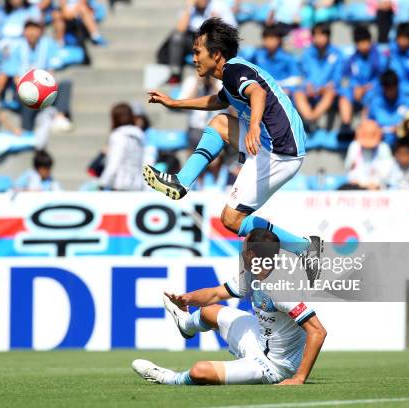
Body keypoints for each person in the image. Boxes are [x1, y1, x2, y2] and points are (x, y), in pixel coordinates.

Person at [144, 18, 322, 278]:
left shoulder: (233, 71)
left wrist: (253, 128)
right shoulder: (231, 75)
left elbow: (258, 93)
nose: (193, 58)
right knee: (219, 123)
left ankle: (305, 247)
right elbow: (219, 101)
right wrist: (175, 103)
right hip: (272, 142)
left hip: (280, 151)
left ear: (216, 54)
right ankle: (181, 181)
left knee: (231, 220)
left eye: (197, 52)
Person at [132, 228, 327, 386]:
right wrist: (187, 298)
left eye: (243, 247)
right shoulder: (254, 272)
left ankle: (168, 378)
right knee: (208, 311)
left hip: (273, 366)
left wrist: (299, 378)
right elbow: (216, 294)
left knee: (200, 371)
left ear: (251, 254)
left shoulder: (282, 289)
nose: (241, 251)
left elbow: (318, 331)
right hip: (259, 338)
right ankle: (185, 324)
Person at [160, 0, 237, 84]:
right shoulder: (189, 9)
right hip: (195, 40)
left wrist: (216, 23)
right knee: (177, 37)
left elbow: (232, 30)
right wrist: (189, 7)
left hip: (214, 41)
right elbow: (180, 30)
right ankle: (175, 74)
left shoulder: (219, 5)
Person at [294, 22, 342, 125]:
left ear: (328, 36)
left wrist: (327, 86)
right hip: (310, 89)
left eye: (322, 35)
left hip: (327, 90)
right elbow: (302, 75)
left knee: (330, 93)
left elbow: (337, 77)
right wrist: (307, 85)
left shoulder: (337, 53)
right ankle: (309, 117)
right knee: (298, 94)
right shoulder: (306, 53)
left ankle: (312, 118)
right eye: (316, 35)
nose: (319, 38)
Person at [339, 25, 386, 130]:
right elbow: (346, 77)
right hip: (356, 90)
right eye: (359, 43)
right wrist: (355, 86)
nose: (363, 46)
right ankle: (346, 126)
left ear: (370, 41)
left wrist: (366, 88)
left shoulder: (379, 57)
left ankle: (365, 128)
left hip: (372, 90)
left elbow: (382, 78)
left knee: (372, 99)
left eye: (365, 42)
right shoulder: (352, 59)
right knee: (344, 96)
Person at [99, 103, 146, 191]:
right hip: (138, 185)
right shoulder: (140, 135)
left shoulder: (118, 136)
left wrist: (102, 183)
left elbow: (114, 162)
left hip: (120, 185)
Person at [248, 25, 301, 96]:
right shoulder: (257, 54)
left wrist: (289, 89)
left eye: (272, 38)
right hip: (261, 90)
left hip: (282, 91)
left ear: (279, 40)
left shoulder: (288, 57)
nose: (269, 42)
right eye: (266, 38)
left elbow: (296, 78)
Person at [366, 69, 409, 142]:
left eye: (392, 88)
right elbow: (370, 124)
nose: (390, 92)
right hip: (380, 142)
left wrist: (401, 128)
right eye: (387, 88)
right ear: (383, 88)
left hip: (403, 142)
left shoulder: (408, 102)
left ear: (397, 86)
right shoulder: (375, 103)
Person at [344, 119, 393, 190]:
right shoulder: (354, 146)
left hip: (378, 187)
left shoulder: (383, 147)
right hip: (357, 187)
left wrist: (377, 183)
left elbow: (388, 171)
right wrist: (359, 183)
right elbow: (348, 168)